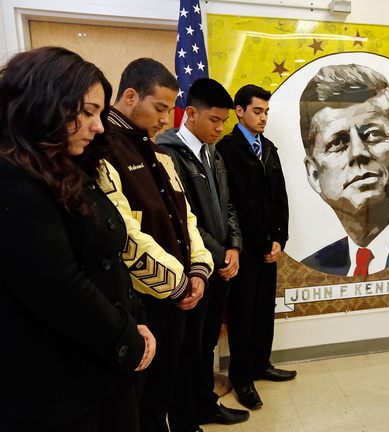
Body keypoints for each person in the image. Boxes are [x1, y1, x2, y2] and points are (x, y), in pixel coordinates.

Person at [0, 46, 155, 432]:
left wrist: (136, 321)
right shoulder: (11, 180)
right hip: (55, 387)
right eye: (86, 112)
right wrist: (127, 339)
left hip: (98, 366)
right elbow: (59, 286)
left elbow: (109, 255)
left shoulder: (69, 167)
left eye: (99, 114)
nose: (99, 126)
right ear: (42, 104)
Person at [97, 58, 214, 432]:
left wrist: (198, 269)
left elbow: (186, 218)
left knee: (168, 385)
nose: (166, 120)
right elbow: (125, 234)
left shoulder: (158, 152)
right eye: (159, 108)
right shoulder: (102, 151)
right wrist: (176, 283)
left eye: (170, 109)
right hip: (141, 300)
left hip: (179, 293)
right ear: (131, 96)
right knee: (140, 402)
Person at [156, 78, 249, 428]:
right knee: (187, 349)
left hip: (221, 264)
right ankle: (183, 418)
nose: (220, 128)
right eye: (214, 120)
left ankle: (205, 404)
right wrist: (220, 253)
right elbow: (185, 219)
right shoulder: (167, 153)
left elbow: (227, 206)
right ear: (190, 113)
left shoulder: (213, 152)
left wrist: (235, 246)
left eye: (224, 121)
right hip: (195, 268)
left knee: (207, 343)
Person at [299, 63, 389, 276]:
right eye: (338, 142)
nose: (358, 153)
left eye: (373, 134)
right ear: (314, 175)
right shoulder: (314, 269)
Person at [217, 84, 294, 410]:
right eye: (257, 111)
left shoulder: (269, 149)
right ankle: (243, 376)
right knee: (243, 315)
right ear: (240, 111)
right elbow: (239, 204)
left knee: (264, 311)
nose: (263, 118)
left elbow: (280, 198)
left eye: (266, 112)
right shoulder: (228, 149)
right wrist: (263, 241)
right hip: (245, 249)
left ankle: (262, 364)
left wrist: (280, 239)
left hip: (268, 248)